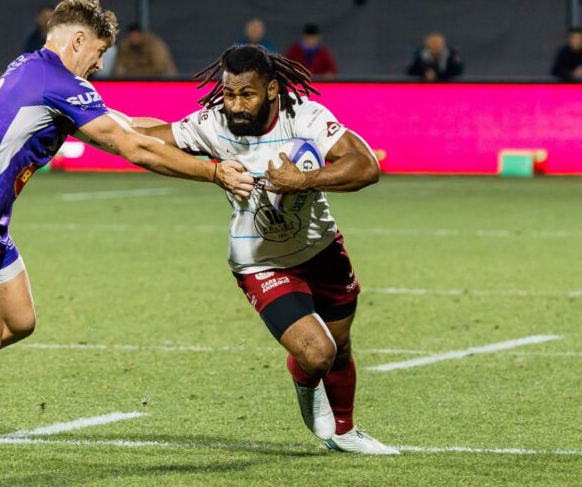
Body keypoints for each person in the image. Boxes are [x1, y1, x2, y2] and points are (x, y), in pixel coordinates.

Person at [0, 0, 253, 455]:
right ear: (77, 40)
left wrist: (199, 137)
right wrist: (213, 172)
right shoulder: (57, 84)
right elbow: (132, 147)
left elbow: (126, 126)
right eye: (98, 52)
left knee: (19, 321)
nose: (100, 64)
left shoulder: (35, 68)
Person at [134, 44, 397, 455]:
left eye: (247, 94)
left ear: (272, 89)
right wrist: (88, 123)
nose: (235, 105)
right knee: (318, 354)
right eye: (229, 94)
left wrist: (304, 180)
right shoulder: (212, 123)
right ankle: (307, 382)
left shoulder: (305, 117)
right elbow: (148, 137)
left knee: (340, 348)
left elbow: (366, 166)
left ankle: (345, 434)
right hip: (260, 261)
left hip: (322, 250)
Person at [113, 24, 177, 77]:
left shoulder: (155, 45)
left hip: (161, 80)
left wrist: (136, 72)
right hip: (135, 81)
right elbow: (119, 69)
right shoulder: (125, 46)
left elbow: (159, 68)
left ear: (140, 34)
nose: (134, 39)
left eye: (136, 35)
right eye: (131, 36)